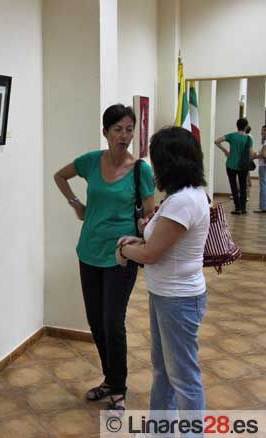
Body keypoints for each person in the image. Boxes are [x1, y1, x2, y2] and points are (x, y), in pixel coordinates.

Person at [53, 104, 155, 411]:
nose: (124, 136)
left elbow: (150, 214)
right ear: (105, 132)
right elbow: (60, 176)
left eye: (129, 130)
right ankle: (109, 380)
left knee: (113, 321)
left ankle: (119, 388)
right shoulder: (90, 161)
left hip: (121, 256)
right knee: (96, 321)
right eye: (118, 130)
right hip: (88, 251)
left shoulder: (141, 170)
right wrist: (75, 204)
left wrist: (141, 234)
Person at [116, 127, 209, 429]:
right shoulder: (180, 197)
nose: (153, 166)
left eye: (156, 159)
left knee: (183, 377)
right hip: (166, 294)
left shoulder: (184, 201)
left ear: (170, 162)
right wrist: (142, 236)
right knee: (164, 371)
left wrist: (124, 250)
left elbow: (152, 255)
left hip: (179, 299)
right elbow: (159, 242)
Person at [214, 118, 253, 214]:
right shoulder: (249, 138)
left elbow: (216, 141)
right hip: (243, 166)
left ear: (237, 125)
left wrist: (225, 151)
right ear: (246, 126)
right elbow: (251, 153)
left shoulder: (232, 136)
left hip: (231, 164)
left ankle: (237, 208)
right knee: (243, 186)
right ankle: (243, 208)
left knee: (234, 186)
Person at [256, 124, 266, 213]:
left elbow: (264, 154)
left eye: (264, 130)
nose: (262, 132)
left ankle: (263, 207)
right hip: (263, 165)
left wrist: (255, 156)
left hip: (263, 166)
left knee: (263, 185)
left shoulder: (265, 142)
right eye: (262, 130)